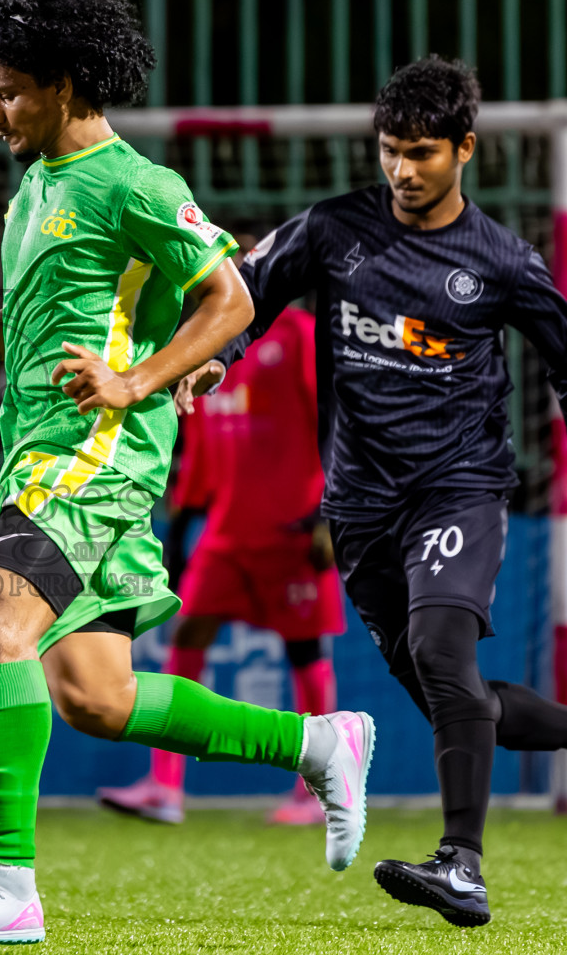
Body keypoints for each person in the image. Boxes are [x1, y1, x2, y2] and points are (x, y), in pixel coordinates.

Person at [0, 0, 376, 946]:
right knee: (95, 695)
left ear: (65, 85)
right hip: (41, 449)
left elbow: (232, 297)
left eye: (7, 94)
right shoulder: (33, 190)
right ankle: (321, 742)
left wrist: (139, 377)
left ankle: (7, 880)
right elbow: (19, 323)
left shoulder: (135, 183)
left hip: (94, 453)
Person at [187, 55, 567, 928]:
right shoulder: (333, 230)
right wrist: (219, 355)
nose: (404, 171)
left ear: (465, 151)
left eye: (423, 153)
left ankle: (463, 866)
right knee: (462, 700)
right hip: (360, 510)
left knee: (446, 660)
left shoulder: (500, 260)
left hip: (459, 490)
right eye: (391, 151)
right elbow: (245, 293)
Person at [97, 301, 346, 826]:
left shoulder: (298, 334)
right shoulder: (206, 350)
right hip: (226, 532)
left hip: (293, 524)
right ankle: (165, 787)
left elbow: (334, 413)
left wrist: (329, 511)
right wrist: (182, 530)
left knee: (305, 649)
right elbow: (204, 450)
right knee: (187, 634)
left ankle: (319, 792)